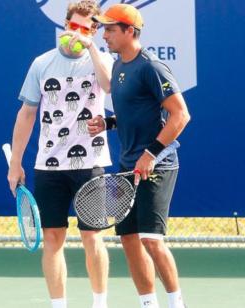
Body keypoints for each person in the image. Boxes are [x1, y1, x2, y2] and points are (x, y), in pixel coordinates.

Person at [6, 1, 114, 308]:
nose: (76, 34)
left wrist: (92, 48)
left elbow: (108, 86)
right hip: (49, 166)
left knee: (92, 237)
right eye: (73, 26)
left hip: (91, 164)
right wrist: (16, 162)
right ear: (64, 25)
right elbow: (26, 114)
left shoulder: (101, 59)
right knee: (53, 239)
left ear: (94, 31)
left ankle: (99, 303)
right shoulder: (41, 63)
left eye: (85, 28)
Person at [88, 4, 191, 308]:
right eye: (103, 29)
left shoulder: (152, 67)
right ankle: (149, 304)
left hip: (157, 165)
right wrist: (108, 123)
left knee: (151, 240)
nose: (104, 35)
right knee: (129, 239)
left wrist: (150, 154)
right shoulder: (119, 65)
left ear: (129, 31)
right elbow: (136, 111)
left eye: (109, 29)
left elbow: (180, 115)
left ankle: (176, 304)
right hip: (128, 166)